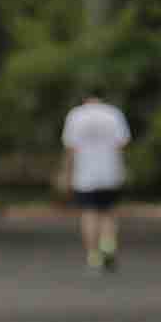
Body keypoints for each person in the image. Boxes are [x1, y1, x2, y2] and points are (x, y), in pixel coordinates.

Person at [59, 86, 135, 269]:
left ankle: (93, 255)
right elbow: (122, 144)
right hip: (110, 172)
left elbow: (70, 148)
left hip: (85, 174)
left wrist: (65, 173)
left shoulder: (76, 116)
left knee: (89, 213)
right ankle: (108, 247)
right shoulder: (113, 114)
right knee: (108, 213)